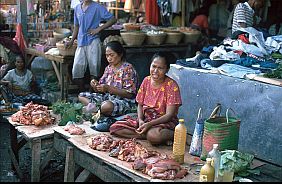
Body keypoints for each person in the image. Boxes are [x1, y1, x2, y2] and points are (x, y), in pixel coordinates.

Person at [110, 52, 182, 145]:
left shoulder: (172, 85)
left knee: (154, 135)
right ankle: (147, 136)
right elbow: (140, 104)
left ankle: (174, 135)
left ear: (167, 70)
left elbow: (169, 115)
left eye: (160, 68)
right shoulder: (146, 80)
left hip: (164, 122)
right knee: (115, 128)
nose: (155, 71)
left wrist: (150, 125)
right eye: (154, 66)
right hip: (146, 119)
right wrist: (140, 120)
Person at [66, 0, 117, 92]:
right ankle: (83, 92)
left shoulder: (97, 7)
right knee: (77, 70)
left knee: (95, 69)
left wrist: (99, 29)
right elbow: (76, 26)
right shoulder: (77, 8)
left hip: (93, 41)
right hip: (81, 42)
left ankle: (91, 92)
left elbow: (113, 19)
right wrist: (72, 40)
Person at [78, 41, 138, 117]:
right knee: (81, 96)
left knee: (107, 106)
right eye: (107, 56)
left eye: (112, 55)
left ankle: (96, 110)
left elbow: (130, 94)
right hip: (108, 98)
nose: (109, 58)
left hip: (124, 101)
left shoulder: (128, 69)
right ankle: (97, 110)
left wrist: (109, 88)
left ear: (120, 54)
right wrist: (95, 85)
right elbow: (100, 90)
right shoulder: (108, 68)